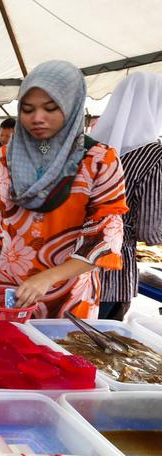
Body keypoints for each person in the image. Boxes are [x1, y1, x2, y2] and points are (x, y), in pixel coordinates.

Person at [0, 60, 128, 319]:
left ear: (73, 106)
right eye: (27, 109)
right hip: (9, 287)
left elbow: (103, 235)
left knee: (60, 356)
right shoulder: (5, 158)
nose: (37, 118)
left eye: (51, 108)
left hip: (66, 294)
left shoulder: (98, 160)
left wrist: (48, 278)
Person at [92, 72, 162, 320]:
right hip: (113, 271)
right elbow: (149, 231)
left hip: (71, 264)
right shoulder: (154, 156)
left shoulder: (91, 147)